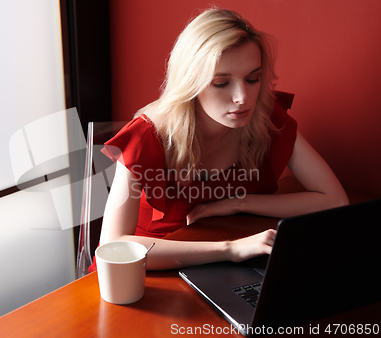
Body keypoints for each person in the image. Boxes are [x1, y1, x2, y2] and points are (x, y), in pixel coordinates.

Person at [90, 8, 348, 272]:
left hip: (225, 264)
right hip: (150, 272)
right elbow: (112, 248)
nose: (242, 97)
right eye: (222, 83)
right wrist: (230, 249)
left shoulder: (264, 116)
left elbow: (334, 200)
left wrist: (239, 203)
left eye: (252, 79)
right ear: (192, 83)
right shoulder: (149, 134)